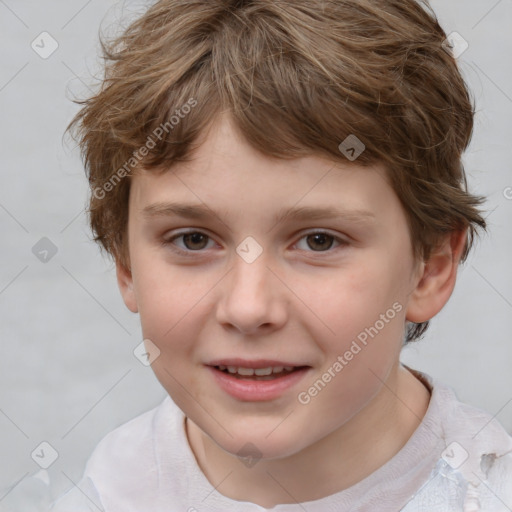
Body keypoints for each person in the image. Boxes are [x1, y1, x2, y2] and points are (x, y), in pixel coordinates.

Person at [50, 0, 512, 510]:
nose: (248, 309)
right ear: (125, 264)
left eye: (319, 241)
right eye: (194, 240)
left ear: (431, 268)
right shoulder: (107, 493)